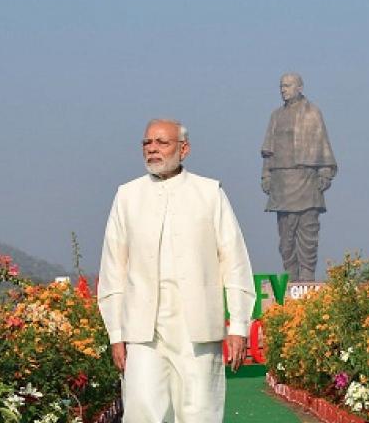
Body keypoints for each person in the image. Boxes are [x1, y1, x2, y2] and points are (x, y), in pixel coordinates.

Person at [97, 118, 256, 422]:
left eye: (161, 142)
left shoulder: (209, 193)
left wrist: (238, 326)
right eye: (147, 143)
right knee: (142, 409)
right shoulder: (127, 196)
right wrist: (116, 333)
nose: (152, 149)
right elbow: (113, 269)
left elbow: (234, 262)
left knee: (199, 410)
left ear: (184, 149)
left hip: (197, 326)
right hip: (143, 329)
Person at [260, 73, 337, 282]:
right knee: (286, 238)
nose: (283, 89)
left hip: (306, 179)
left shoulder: (312, 113)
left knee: (308, 234)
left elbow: (322, 144)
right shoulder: (276, 116)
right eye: (281, 86)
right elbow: (268, 151)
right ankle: (291, 277)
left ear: (299, 87)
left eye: (287, 85)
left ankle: (307, 278)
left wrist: (325, 173)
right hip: (282, 183)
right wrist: (266, 175)